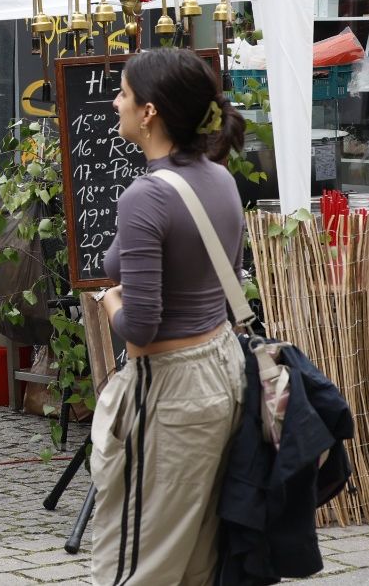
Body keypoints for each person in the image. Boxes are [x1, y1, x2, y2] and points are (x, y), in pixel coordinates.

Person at [90, 47, 248, 585]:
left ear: (150, 111)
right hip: (222, 369)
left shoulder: (146, 197)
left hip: (169, 386)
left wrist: (109, 299)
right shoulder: (220, 179)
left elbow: (140, 326)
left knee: (136, 561)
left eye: (125, 94)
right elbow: (223, 280)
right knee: (195, 556)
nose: (116, 103)